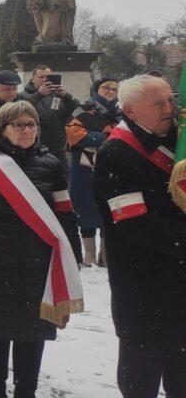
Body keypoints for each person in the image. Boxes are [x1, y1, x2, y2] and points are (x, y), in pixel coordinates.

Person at [0, 100, 83, 398]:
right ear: (2, 129)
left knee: (33, 330)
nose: (26, 130)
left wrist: (72, 257)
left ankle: (27, 390)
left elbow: (65, 213)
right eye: (18, 125)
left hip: (39, 263)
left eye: (31, 124)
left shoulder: (52, 164)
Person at [93, 75, 186, 397]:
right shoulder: (115, 153)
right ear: (130, 111)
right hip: (144, 288)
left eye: (171, 99)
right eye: (158, 103)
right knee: (140, 382)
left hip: (181, 288)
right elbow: (137, 225)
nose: (169, 108)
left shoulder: (180, 141)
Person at [65, 76, 119, 267]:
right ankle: (88, 254)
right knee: (85, 209)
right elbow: (74, 134)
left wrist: (104, 138)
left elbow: (125, 135)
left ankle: (105, 253)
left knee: (108, 209)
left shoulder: (121, 112)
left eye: (114, 89)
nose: (110, 91)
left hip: (112, 167)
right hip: (84, 169)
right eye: (106, 88)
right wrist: (104, 138)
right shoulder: (82, 110)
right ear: (96, 90)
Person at [18, 65, 78, 167]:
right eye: (41, 77)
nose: (45, 80)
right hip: (33, 150)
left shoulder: (59, 96)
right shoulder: (22, 96)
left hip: (58, 149)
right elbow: (21, 110)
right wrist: (39, 94)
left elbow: (77, 111)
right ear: (33, 79)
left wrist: (66, 96)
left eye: (48, 77)